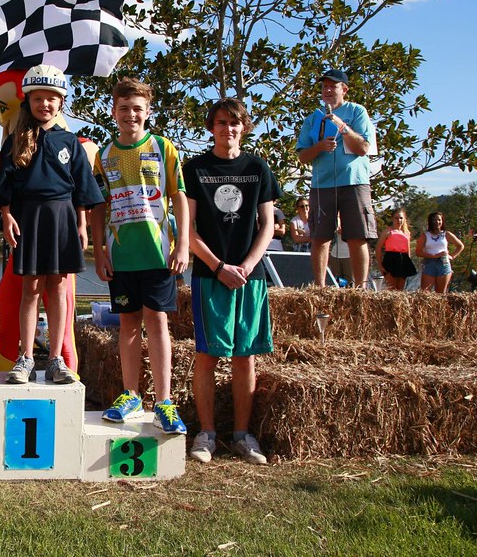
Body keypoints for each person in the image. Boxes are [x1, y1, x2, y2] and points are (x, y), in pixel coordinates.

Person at [183, 98, 280, 465]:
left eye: (235, 123)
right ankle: (205, 433)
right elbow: (187, 228)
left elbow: (267, 224)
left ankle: (242, 434)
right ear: (212, 127)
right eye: (222, 122)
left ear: (245, 127)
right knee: (207, 355)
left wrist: (247, 265)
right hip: (210, 274)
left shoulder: (258, 168)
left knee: (245, 357)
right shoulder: (195, 169)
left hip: (249, 278)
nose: (229, 129)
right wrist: (219, 265)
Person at [90, 78, 189, 434]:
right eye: (124, 108)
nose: (130, 114)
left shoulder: (164, 147)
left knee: (157, 321)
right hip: (121, 255)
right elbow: (98, 206)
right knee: (128, 324)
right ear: (113, 111)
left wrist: (184, 244)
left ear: (147, 112)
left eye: (137, 109)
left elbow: (179, 197)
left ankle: (164, 401)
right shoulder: (104, 155)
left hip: (158, 252)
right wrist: (99, 251)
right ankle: (130, 394)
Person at [0, 64, 104, 385]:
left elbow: (83, 186)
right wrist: (5, 216)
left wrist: (82, 224)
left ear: (60, 103)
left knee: (58, 288)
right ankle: (26, 358)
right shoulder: (15, 141)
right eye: (38, 98)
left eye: (51, 99)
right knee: (30, 289)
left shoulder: (70, 142)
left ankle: (56, 358)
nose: (44, 104)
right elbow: (5, 186)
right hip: (29, 217)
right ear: (28, 102)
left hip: (63, 218)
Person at [295, 69, 377, 286]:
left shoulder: (358, 111)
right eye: (324, 86)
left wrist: (342, 126)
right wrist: (320, 147)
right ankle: (320, 287)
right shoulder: (313, 118)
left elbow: (364, 147)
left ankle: (360, 288)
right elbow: (302, 156)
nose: (328, 90)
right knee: (320, 237)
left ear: (344, 89)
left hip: (354, 183)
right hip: (322, 185)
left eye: (333, 86)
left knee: (357, 237)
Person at [416, 211, 464, 293]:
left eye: (439, 220)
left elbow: (460, 246)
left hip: (443, 264)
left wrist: (452, 256)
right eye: (434, 220)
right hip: (429, 263)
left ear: (442, 221)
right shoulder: (425, 235)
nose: (437, 222)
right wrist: (433, 256)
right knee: (425, 293)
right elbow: (418, 252)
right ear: (430, 222)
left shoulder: (446, 234)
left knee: (441, 294)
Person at [375, 208, 417, 291]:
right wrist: (380, 265)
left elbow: (408, 250)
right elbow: (378, 248)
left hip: (403, 260)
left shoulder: (406, 233)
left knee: (400, 290)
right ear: (392, 219)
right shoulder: (387, 232)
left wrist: (408, 264)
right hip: (391, 259)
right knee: (391, 289)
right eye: (396, 218)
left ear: (404, 219)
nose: (399, 220)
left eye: (401, 218)